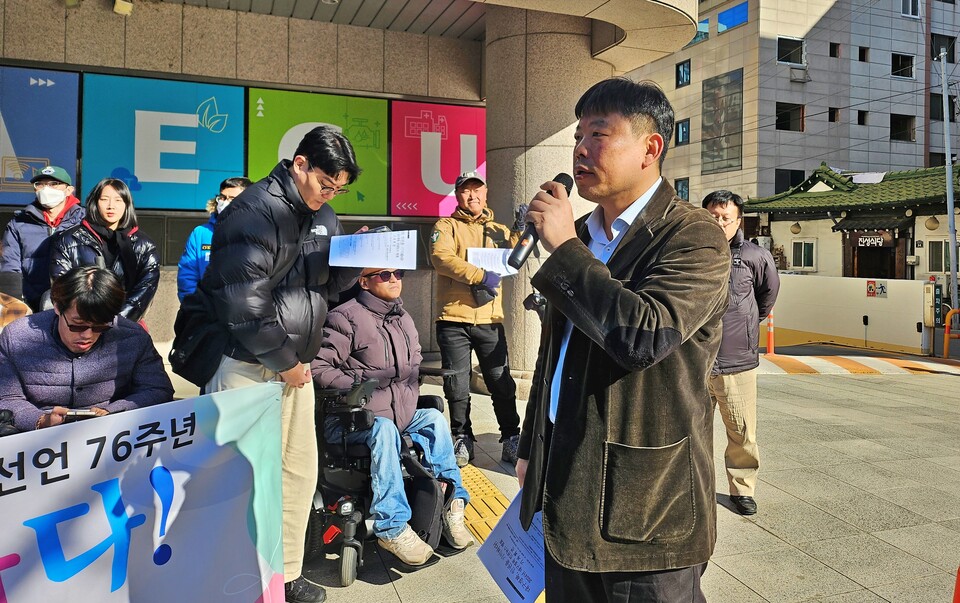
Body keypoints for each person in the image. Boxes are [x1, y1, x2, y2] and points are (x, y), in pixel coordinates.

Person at [515, 77, 731, 602]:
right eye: (578, 136)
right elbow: (554, 357)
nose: (581, 149)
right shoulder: (585, 235)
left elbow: (644, 335)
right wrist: (529, 446)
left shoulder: (692, 235)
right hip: (565, 491)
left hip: (646, 513)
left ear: (650, 148)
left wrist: (564, 246)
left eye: (599, 134)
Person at [201, 125, 362, 603]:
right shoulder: (253, 211)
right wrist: (288, 361)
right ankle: (232, 576)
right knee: (241, 478)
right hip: (250, 366)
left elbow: (325, 289)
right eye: (324, 184)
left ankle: (284, 575)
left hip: (295, 367)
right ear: (300, 165)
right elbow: (243, 304)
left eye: (339, 189)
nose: (329, 195)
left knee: (295, 473)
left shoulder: (324, 215)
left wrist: (359, 258)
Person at [311, 267, 475, 565]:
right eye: (384, 274)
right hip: (351, 418)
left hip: (397, 412)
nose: (394, 279)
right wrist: (357, 387)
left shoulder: (403, 318)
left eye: (398, 273)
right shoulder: (344, 317)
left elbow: (411, 367)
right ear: (363, 281)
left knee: (434, 419)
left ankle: (452, 502)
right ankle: (392, 526)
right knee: (384, 428)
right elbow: (318, 369)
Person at [0, 266, 173, 432]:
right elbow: (7, 397)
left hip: (114, 435)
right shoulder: (17, 337)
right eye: (77, 326)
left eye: (100, 327)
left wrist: (114, 412)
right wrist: (40, 420)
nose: (87, 335)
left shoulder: (133, 337)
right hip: (36, 440)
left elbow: (157, 389)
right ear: (58, 307)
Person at [429, 171, 522, 467]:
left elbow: (514, 258)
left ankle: (511, 437)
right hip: (453, 318)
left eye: (477, 190)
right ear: (457, 195)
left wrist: (520, 231)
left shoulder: (497, 229)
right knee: (456, 384)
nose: (472, 196)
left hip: (489, 319)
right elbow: (441, 258)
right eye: (466, 191)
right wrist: (480, 274)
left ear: (486, 192)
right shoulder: (446, 226)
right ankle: (461, 436)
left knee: (501, 382)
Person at [702, 190, 780, 516]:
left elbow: (767, 296)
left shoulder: (754, 256)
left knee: (742, 431)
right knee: (690, 431)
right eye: (713, 216)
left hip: (737, 361)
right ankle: (694, 489)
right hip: (693, 359)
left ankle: (742, 489)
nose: (719, 223)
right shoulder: (688, 251)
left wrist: (745, 327)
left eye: (726, 217)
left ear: (738, 220)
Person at [50, 178, 160, 322]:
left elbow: (145, 288)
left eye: (118, 200)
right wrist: (90, 321)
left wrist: (117, 322)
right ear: (95, 203)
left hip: (126, 325)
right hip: (80, 324)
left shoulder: (144, 245)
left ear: (127, 205)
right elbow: (62, 286)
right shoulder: (69, 239)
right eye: (104, 199)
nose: (111, 206)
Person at [0, 166, 85, 311]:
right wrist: (14, 306)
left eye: (54, 184)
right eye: (41, 184)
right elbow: (10, 266)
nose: (46, 189)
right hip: (30, 305)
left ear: (69, 190)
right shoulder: (19, 223)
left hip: (76, 304)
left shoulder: (84, 221)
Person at [177, 177, 253, 302]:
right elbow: (188, 275)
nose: (225, 202)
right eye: (222, 197)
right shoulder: (200, 233)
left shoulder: (258, 233)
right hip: (205, 313)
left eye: (232, 199)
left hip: (244, 312)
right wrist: (193, 308)